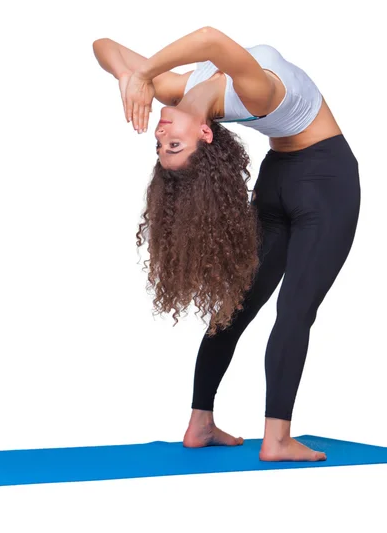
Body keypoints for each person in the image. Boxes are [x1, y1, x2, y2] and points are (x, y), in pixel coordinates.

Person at [92, 27, 361, 462]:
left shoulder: (181, 87)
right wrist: (143, 74)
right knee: (266, 307)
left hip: (284, 177)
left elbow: (102, 45)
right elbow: (212, 40)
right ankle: (273, 439)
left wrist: (130, 76)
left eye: (161, 146)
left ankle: (202, 426)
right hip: (324, 180)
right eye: (174, 145)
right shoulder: (251, 95)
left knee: (265, 306)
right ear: (207, 134)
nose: (161, 137)